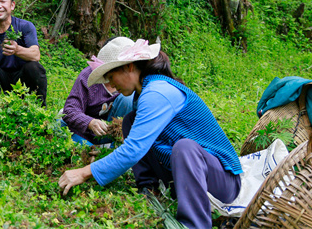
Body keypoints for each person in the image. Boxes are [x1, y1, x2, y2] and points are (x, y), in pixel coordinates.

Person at [58, 37, 242, 229]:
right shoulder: (144, 92)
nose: (111, 84)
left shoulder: (157, 92)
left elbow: (133, 149)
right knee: (130, 120)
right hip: (185, 170)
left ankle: (194, 224)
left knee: (185, 147)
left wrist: (84, 173)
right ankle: (148, 189)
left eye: (111, 76)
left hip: (223, 179)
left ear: (129, 67)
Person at [62, 51, 135, 146]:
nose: (112, 85)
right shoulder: (87, 77)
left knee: (127, 100)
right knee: (60, 128)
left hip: (109, 137)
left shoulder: (134, 86)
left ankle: (114, 148)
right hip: (84, 133)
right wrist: (90, 123)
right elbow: (70, 110)